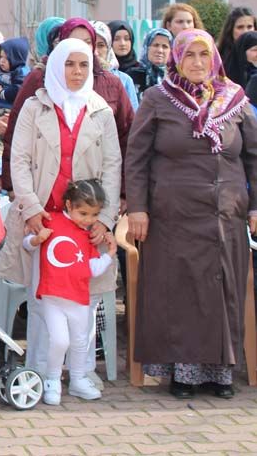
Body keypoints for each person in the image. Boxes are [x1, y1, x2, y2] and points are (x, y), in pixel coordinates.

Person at [126, 28, 257, 399]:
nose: (197, 63)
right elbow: (136, 158)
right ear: (177, 60)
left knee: (222, 291)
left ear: (214, 59)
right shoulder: (158, 98)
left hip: (224, 217)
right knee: (179, 293)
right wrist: (138, 208)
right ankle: (182, 375)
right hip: (173, 216)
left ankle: (220, 374)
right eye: (189, 55)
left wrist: (255, 207)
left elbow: (254, 157)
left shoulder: (235, 99)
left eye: (204, 55)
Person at [0, 37, 121, 395]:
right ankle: (40, 373)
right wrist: (31, 209)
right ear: (55, 66)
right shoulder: (35, 108)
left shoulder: (100, 111)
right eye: (69, 64)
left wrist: (104, 219)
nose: (77, 72)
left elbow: (113, 165)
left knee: (85, 300)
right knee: (42, 300)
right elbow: (18, 159)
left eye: (84, 65)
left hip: (87, 220)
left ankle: (80, 374)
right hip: (46, 222)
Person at [1, 18, 133, 197]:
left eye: (87, 42)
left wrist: (123, 193)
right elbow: (17, 139)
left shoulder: (110, 85)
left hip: (91, 200)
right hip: (43, 195)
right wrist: (13, 187)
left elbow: (124, 141)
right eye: (73, 40)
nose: (80, 47)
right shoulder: (40, 80)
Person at [23, 179, 115, 406]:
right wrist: (37, 239)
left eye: (95, 215)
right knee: (59, 340)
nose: (89, 220)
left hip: (79, 298)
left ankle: (78, 379)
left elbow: (92, 269)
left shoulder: (88, 235)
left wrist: (110, 254)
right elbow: (26, 244)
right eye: (83, 213)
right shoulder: (51, 220)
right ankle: (52, 380)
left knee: (80, 341)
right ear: (68, 205)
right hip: (52, 296)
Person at [93, 21, 140, 110]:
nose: (95, 52)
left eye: (101, 45)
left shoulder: (124, 80)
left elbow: (131, 115)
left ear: (108, 47)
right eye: (91, 44)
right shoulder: (77, 76)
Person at [125, 28, 172, 96]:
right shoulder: (132, 75)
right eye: (155, 45)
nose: (160, 50)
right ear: (147, 47)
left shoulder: (175, 78)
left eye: (165, 46)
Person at [0, 37, 29, 111]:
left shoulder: (21, 72)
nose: (2, 61)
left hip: (11, 109)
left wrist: (1, 93)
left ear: (17, 58)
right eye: (1, 57)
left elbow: (18, 89)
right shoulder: (0, 68)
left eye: (7, 58)